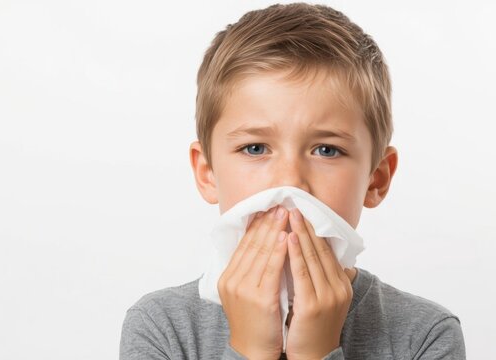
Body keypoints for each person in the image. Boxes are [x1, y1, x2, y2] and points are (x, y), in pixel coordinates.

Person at [119, 3, 466, 359]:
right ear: (207, 174)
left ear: (375, 179)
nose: (289, 182)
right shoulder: (162, 327)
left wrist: (317, 352)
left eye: (326, 150)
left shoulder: (425, 335)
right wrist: (250, 350)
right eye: (255, 148)